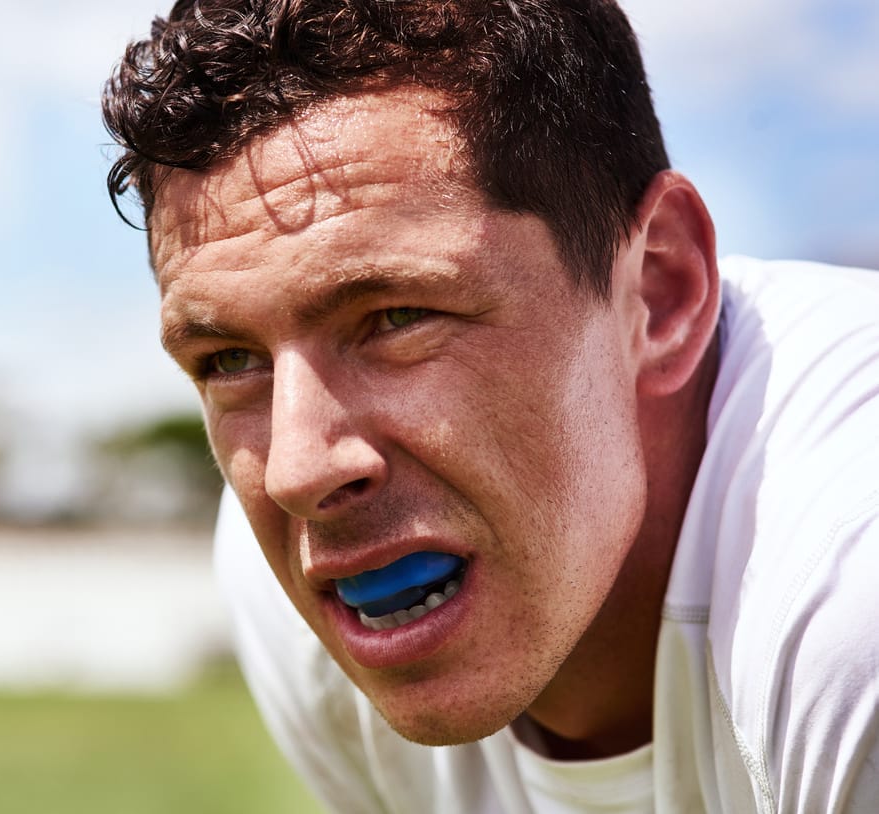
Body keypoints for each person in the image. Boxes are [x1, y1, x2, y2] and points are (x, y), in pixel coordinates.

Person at [102, 1, 879, 810]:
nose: (299, 473)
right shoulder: (290, 596)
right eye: (229, 360)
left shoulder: (852, 589)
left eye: (398, 317)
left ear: (657, 288)